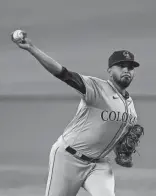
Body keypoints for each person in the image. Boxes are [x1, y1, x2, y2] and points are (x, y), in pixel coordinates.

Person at [11, 32, 140, 196]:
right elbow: (63, 74)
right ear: (109, 70)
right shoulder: (96, 88)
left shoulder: (131, 108)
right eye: (121, 66)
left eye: (130, 67)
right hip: (68, 159)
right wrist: (32, 48)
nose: (126, 70)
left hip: (99, 165)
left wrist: (123, 151)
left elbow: (115, 138)